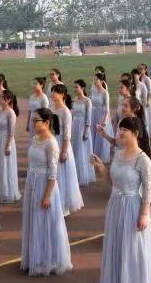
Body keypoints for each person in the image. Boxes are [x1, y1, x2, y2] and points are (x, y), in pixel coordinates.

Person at [91, 117, 151, 283]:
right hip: (115, 205)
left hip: (132, 207)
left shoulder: (143, 160)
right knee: (116, 244)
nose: (120, 132)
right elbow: (112, 182)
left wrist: (144, 215)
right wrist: (101, 167)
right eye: (120, 129)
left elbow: (148, 191)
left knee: (131, 247)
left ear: (135, 133)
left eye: (125, 130)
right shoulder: (118, 154)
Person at [20, 108, 72, 276]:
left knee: (45, 222)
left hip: (45, 185)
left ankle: (47, 260)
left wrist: (47, 195)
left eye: (36, 121)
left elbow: (53, 172)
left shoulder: (51, 143)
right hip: (32, 183)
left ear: (47, 123)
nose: (33, 123)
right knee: (34, 220)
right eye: (33, 120)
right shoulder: (35, 139)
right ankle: (35, 258)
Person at [50, 83, 84, 215]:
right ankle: (53, 201)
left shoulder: (65, 112)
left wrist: (64, 151)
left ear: (62, 95)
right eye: (52, 91)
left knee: (61, 175)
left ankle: (62, 205)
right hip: (52, 143)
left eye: (56, 92)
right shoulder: (51, 108)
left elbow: (67, 134)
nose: (53, 94)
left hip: (61, 144)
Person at [0, 89, 21, 204]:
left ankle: (6, 191)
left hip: (5, 140)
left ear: (8, 100)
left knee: (5, 165)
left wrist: (8, 146)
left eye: (1, 97)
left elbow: (11, 132)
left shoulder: (10, 113)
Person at [71, 80, 96, 186]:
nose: (75, 89)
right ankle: (75, 174)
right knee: (75, 149)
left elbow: (89, 117)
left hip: (82, 127)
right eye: (74, 87)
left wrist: (86, 130)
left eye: (77, 87)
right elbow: (72, 115)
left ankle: (84, 175)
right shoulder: (74, 100)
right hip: (74, 126)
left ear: (82, 88)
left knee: (82, 150)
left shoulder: (87, 101)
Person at [90, 72, 112, 163]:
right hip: (93, 115)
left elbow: (107, 109)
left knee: (100, 136)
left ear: (102, 81)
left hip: (101, 116)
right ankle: (93, 155)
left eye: (96, 80)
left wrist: (104, 121)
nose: (94, 81)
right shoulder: (93, 90)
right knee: (93, 134)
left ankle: (100, 157)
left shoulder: (105, 93)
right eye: (94, 79)